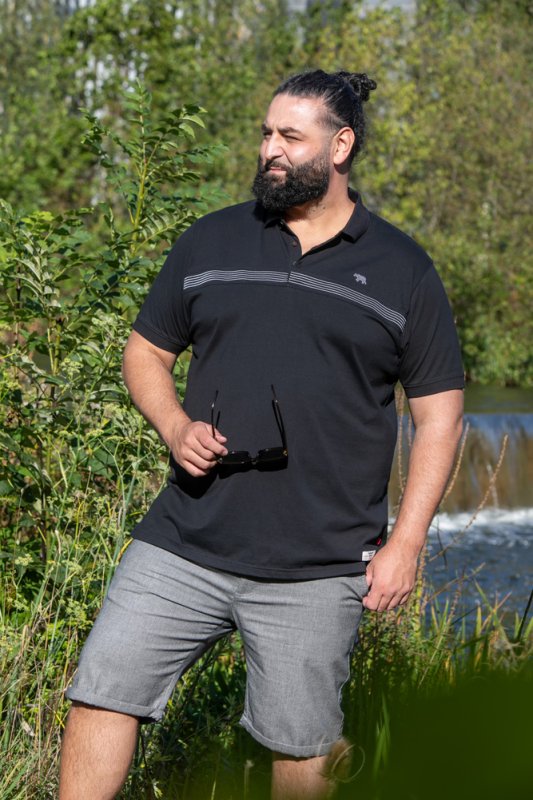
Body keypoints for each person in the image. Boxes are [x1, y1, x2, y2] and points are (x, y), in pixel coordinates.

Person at [59, 69, 464, 800]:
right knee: (101, 693)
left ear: (340, 146)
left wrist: (405, 544)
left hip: (318, 563)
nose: (269, 148)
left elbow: (439, 414)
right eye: (266, 132)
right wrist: (174, 424)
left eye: (289, 136)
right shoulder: (212, 239)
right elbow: (144, 352)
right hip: (184, 538)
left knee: (300, 748)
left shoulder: (402, 269)